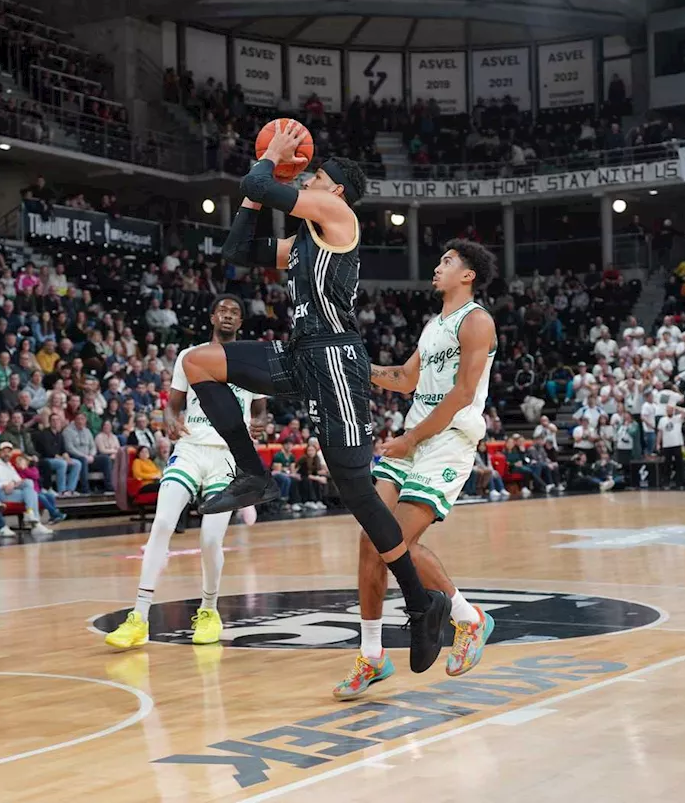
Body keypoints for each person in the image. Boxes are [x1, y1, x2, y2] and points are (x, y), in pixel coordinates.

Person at [177, 121, 451, 672]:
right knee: (198, 361)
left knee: (358, 493)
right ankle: (252, 473)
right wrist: (259, 193)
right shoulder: (303, 239)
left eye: (316, 175)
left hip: (335, 359)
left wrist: (272, 159)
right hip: (300, 353)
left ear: (337, 191)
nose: (307, 178)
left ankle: (424, 605)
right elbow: (237, 249)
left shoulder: (338, 218)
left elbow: (265, 187)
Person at [339, 241, 499, 699]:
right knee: (371, 542)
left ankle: (470, 618)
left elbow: (465, 392)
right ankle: (372, 656)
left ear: (467, 275)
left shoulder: (477, 321)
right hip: (413, 438)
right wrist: (359, 368)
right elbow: (407, 379)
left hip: (447, 440)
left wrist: (412, 437)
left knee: (398, 542)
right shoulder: (435, 326)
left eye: (447, 261)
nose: (437, 266)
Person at [105, 295, 267, 651]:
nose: (227, 315)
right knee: (161, 524)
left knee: (210, 539)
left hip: (228, 455)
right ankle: (139, 617)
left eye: (234, 312)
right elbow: (172, 405)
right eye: (222, 310)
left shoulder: (249, 361)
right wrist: (170, 422)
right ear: (212, 317)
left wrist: (259, 423)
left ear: (240, 322)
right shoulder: (189, 356)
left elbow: (260, 409)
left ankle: (209, 610)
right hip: (191, 450)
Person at [656, 403, 685, 489]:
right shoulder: (662, 420)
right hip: (666, 445)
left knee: (679, 465)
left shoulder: (677, 418)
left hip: (677, 444)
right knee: (667, 465)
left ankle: (679, 483)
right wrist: (658, 443)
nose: (669, 411)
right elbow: (660, 432)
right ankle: (666, 483)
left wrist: (675, 407)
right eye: (668, 409)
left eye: (671, 409)